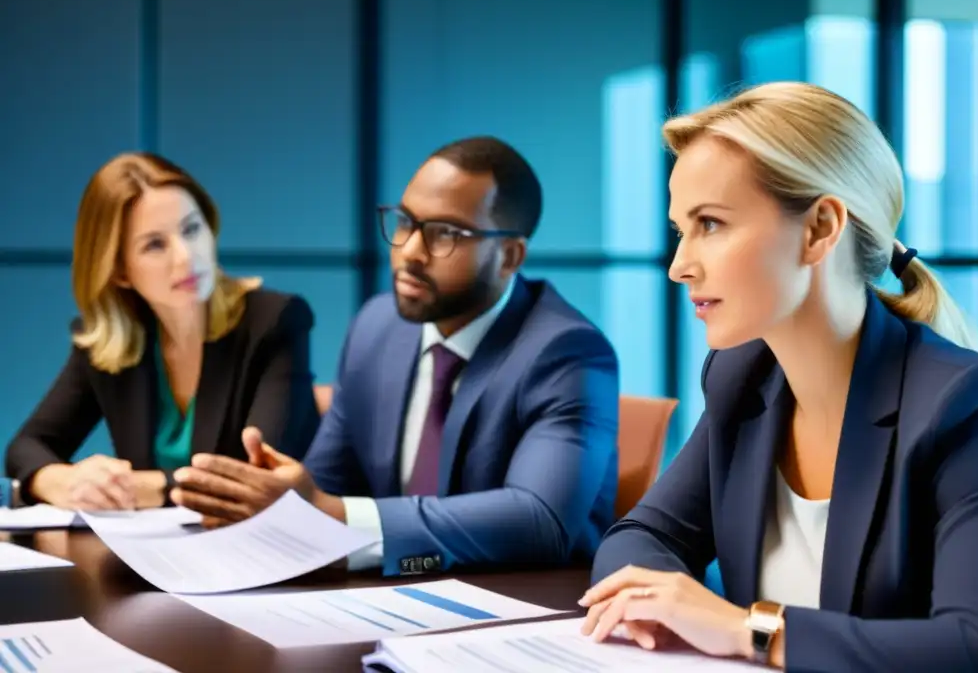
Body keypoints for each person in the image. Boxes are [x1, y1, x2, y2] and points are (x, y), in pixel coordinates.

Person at [579, 82, 978, 671]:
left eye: (710, 224)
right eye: (680, 230)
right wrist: (658, 604)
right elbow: (640, 539)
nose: (679, 266)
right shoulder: (743, 378)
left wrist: (746, 629)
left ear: (819, 229)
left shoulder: (968, 405)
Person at [170, 136, 620, 577]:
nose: (409, 251)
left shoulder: (567, 352)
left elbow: (540, 521)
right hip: (393, 593)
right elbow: (329, 485)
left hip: (526, 612)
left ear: (508, 256)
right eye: (404, 222)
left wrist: (331, 513)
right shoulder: (378, 328)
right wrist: (275, 504)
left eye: (444, 233)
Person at [5, 152, 320, 511]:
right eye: (155, 244)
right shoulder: (111, 344)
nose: (185, 257)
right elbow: (26, 446)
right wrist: (62, 482)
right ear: (120, 271)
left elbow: (258, 480)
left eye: (191, 229)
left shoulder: (274, 321)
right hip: (153, 557)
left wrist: (144, 489)